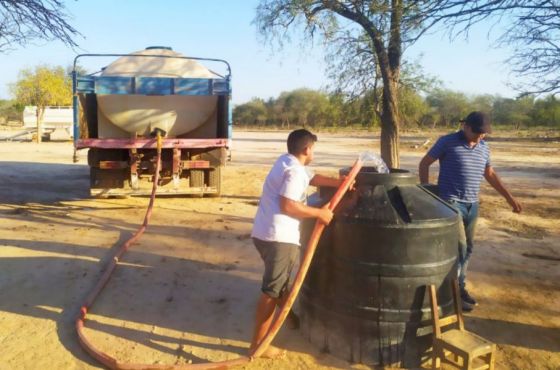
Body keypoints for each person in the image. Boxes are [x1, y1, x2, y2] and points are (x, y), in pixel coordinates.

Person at [249, 128, 345, 358]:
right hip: (280, 239)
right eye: (313, 149)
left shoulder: (286, 162)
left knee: (279, 281)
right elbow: (288, 206)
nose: (313, 153)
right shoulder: (294, 172)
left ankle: (288, 316)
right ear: (307, 149)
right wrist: (319, 214)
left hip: (262, 234)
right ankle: (258, 345)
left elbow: (311, 176)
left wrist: (339, 182)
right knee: (271, 291)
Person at [419, 111, 522, 312]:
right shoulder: (447, 142)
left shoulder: (484, 147)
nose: (480, 136)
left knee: (469, 248)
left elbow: (489, 174)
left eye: (483, 133)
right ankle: (453, 292)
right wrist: (427, 191)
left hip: (472, 205)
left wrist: (509, 198)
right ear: (465, 126)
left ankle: (460, 286)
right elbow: (425, 163)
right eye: (477, 132)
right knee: (460, 247)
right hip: (451, 202)